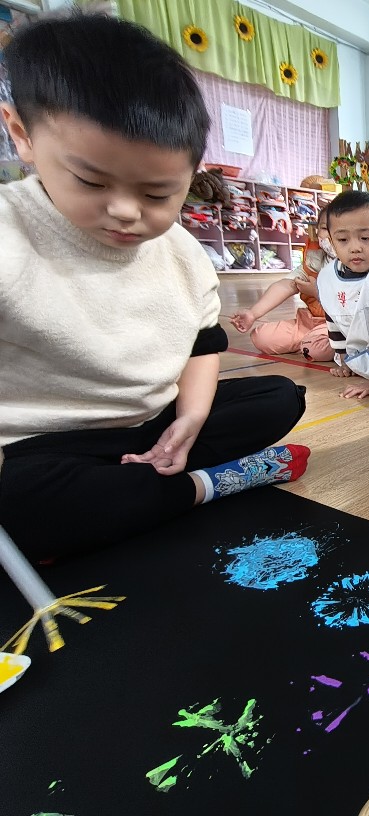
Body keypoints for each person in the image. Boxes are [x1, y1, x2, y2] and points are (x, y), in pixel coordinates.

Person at [0, 14, 309, 562]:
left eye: (157, 194)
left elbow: (203, 348)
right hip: (44, 445)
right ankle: (207, 485)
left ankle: (147, 485)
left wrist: (190, 419)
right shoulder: (9, 235)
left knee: (280, 397)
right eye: (91, 181)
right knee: (21, 503)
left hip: (157, 424)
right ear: (22, 134)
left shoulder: (185, 255)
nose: (125, 211)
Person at [317, 190, 369, 399]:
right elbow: (334, 318)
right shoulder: (328, 276)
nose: (355, 247)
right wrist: (345, 361)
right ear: (332, 243)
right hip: (362, 351)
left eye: (365, 238)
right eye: (343, 240)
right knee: (315, 347)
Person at [229, 206, 334, 361]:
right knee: (262, 337)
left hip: (338, 326)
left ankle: (319, 343)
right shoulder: (315, 258)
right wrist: (253, 313)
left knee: (315, 349)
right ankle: (311, 341)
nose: (331, 234)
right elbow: (286, 285)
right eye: (325, 228)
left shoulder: (356, 263)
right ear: (316, 230)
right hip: (309, 321)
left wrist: (317, 293)